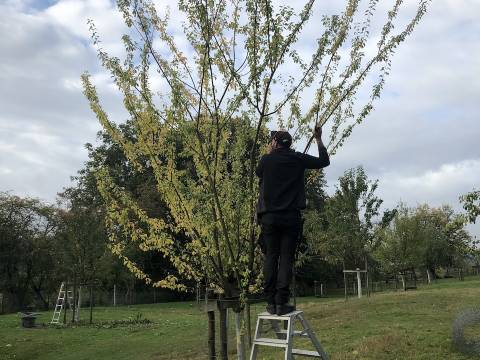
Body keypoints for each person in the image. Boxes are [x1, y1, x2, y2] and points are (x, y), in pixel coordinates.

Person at [256, 126, 330, 315]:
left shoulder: (266, 160)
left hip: (269, 217)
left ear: (275, 143)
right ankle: (282, 302)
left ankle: (271, 302)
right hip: (290, 217)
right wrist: (318, 139)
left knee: (271, 256)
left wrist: (270, 153)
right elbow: (324, 161)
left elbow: (259, 173)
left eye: (271, 141)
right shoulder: (297, 159)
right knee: (286, 257)